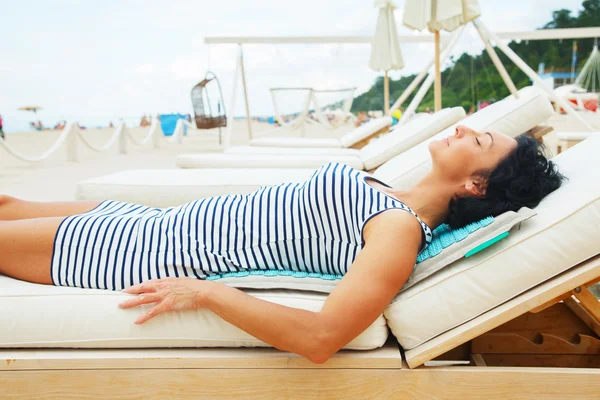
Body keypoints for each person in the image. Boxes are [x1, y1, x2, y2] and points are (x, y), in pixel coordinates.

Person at [0, 126, 563, 364]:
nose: (465, 130)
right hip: (144, 219)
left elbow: (321, 339)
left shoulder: (396, 231)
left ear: (476, 186)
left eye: (479, 140)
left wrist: (208, 294)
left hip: (124, 250)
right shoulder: (387, 191)